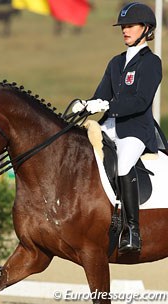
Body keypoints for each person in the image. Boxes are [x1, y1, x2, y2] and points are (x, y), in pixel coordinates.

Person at [72, 2, 162, 254]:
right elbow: (100, 95)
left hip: (135, 130)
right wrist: (86, 105)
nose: (125, 30)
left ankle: (132, 229)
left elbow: (141, 101)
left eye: (130, 26)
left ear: (146, 29)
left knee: (123, 163)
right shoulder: (115, 62)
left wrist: (109, 103)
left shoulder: (151, 63)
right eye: (123, 26)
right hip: (108, 126)